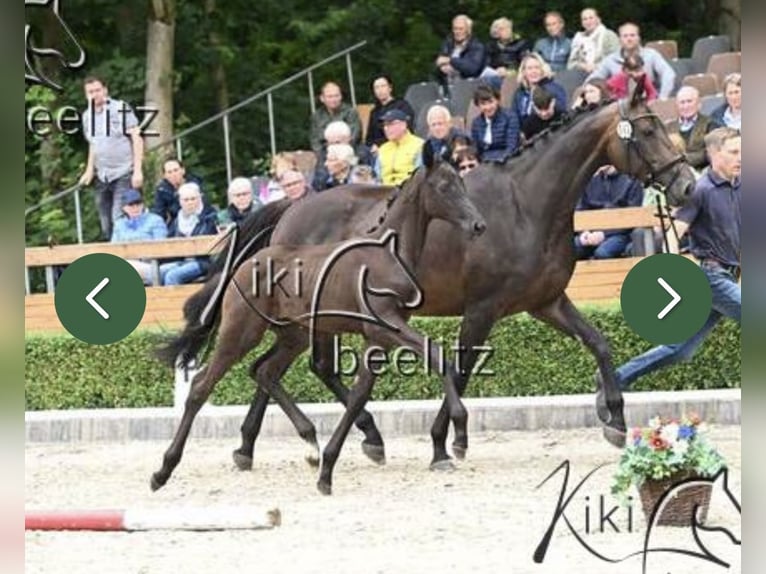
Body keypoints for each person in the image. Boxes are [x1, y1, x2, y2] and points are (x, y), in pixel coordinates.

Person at [603, 127, 740, 393]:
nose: (741, 157)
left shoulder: (741, 185)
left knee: (680, 350)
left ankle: (616, 378)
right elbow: (672, 234)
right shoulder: (701, 190)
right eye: (734, 152)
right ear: (714, 154)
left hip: (730, 274)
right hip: (712, 277)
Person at [78, 75, 144, 240]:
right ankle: (113, 257)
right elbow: (93, 144)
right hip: (102, 174)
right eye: (90, 92)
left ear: (105, 90)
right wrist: (88, 171)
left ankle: (127, 259)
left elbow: (136, 138)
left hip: (124, 171)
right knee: (105, 223)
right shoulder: (87, 116)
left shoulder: (120, 108)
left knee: (118, 217)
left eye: (97, 90)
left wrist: (138, 171)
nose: (95, 94)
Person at [587, 22, 676, 99]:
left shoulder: (651, 55)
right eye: (625, 36)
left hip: (648, 102)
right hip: (618, 106)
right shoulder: (610, 60)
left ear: (639, 38)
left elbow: (668, 73)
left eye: (632, 35)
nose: (629, 39)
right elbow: (594, 78)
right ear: (620, 39)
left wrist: (662, 97)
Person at [573, 165, 644, 260]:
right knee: (571, 249)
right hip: (590, 233)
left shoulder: (632, 181)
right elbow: (580, 209)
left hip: (619, 234)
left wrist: (604, 234)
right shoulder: (589, 181)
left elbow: (633, 216)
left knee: (602, 253)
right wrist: (584, 232)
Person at [160, 182, 219, 286]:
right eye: (186, 200)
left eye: (193, 199)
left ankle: (173, 301)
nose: (190, 202)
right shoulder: (176, 220)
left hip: (203, 262)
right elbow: (169, 241)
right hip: (181, 261)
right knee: (158, 272)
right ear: (180, 201)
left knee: (172, 276)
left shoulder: (210, 217)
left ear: (200, 198)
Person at [110, 189, 167, 285]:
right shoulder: (119, 224)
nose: (135, 208)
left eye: (138, 204)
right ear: (124, 208)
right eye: (131, 205)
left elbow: (161, 247)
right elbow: (113, 249)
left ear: (143, 205)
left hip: (151, 265)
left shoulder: (155, 220)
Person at [510, 53, 567, 129]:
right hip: (525, 133)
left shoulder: (554, 88)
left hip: (548, 130)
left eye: (537, 68)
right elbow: (514, 116)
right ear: (524, 72)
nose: (534, 71)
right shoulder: (519, 93)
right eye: (530, 68)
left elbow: (562, 109)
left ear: (542, 70)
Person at [435, 14, 486, 93]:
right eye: (455, 29)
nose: (457, 32)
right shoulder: (448, 44)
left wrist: (450, 61)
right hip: (446, 86)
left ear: (468, 30)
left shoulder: (477, 47)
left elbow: (472, 68)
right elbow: (439, 61)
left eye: (461, 29)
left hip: (469, 88)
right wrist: (441, 67)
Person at [667, 86, 715, 170]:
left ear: (699, 104)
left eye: (689, 101)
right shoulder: (668, 127)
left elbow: (710, 152)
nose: (686, 106)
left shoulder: (710, 124)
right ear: (677, 106)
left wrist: (683, 160)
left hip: (702, 172)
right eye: (682, 102)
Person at [309, 82, 362, 155]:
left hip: (349, 150)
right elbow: (315, 141)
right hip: (325, 153)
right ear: (322, 98)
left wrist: (340, 151)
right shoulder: (317, 116)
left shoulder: (351, 112)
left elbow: (354, 136)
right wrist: (322, 154)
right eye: (330, 96)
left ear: (341, 96)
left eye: (336, 96)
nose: (334, 99)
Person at [365, 75, 415, 151]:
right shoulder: (374, 112)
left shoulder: (402, 105)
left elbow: (405, 130)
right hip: (375, 149)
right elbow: (369, 137)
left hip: (399, 145)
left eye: (383, 86)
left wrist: (380, 145)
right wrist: (372, 146)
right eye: (376, 87)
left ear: (390, 88)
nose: (380, 90)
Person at [375, 108, 424, 185]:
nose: (386, 128)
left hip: (407, 191)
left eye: (391, 124)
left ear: (403, 125)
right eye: (385, 125)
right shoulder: (383, 148)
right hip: (383, 191)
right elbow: (377, 176)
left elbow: (420, 176)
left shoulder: (419, 145)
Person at [471, 83, 520, 161]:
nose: (488, 107)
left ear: (497, 101)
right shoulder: (476, 123)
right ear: (478, 105)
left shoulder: (510, 117)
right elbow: (476, 149)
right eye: (483, 104)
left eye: (491, 102)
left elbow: (512, 147)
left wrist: (498, 159)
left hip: (506, 161)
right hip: (484, 162)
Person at [151, 158, 205, 225]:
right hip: (176, 223)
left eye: (176, 170)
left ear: (183, 170)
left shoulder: (195, 185)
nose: (173, 174)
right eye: (169, 172)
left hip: (199, 220)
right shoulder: (162, 190)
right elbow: (159, 213)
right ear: (165, 175)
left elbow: (204, 206)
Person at [567, 8, 620, 74]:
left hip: (604, 73)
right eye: (585, 19)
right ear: (582, 23)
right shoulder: (578, 38)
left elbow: (615, 59)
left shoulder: (609, 35)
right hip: (581, 73)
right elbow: (571, 64)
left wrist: (596, 66)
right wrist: (583, 66)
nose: (588, 21)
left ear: (598, 20)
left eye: (591, 18)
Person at [482, 17, 530, 87]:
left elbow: (525, 64)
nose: (507, 31)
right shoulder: (490, 46)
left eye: (508, 28)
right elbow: (486, 65)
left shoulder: (521, 44)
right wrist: (495, 72)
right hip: (495, 76)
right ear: (496, 33)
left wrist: (509, 72)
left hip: (514, 76)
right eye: (502, 29)